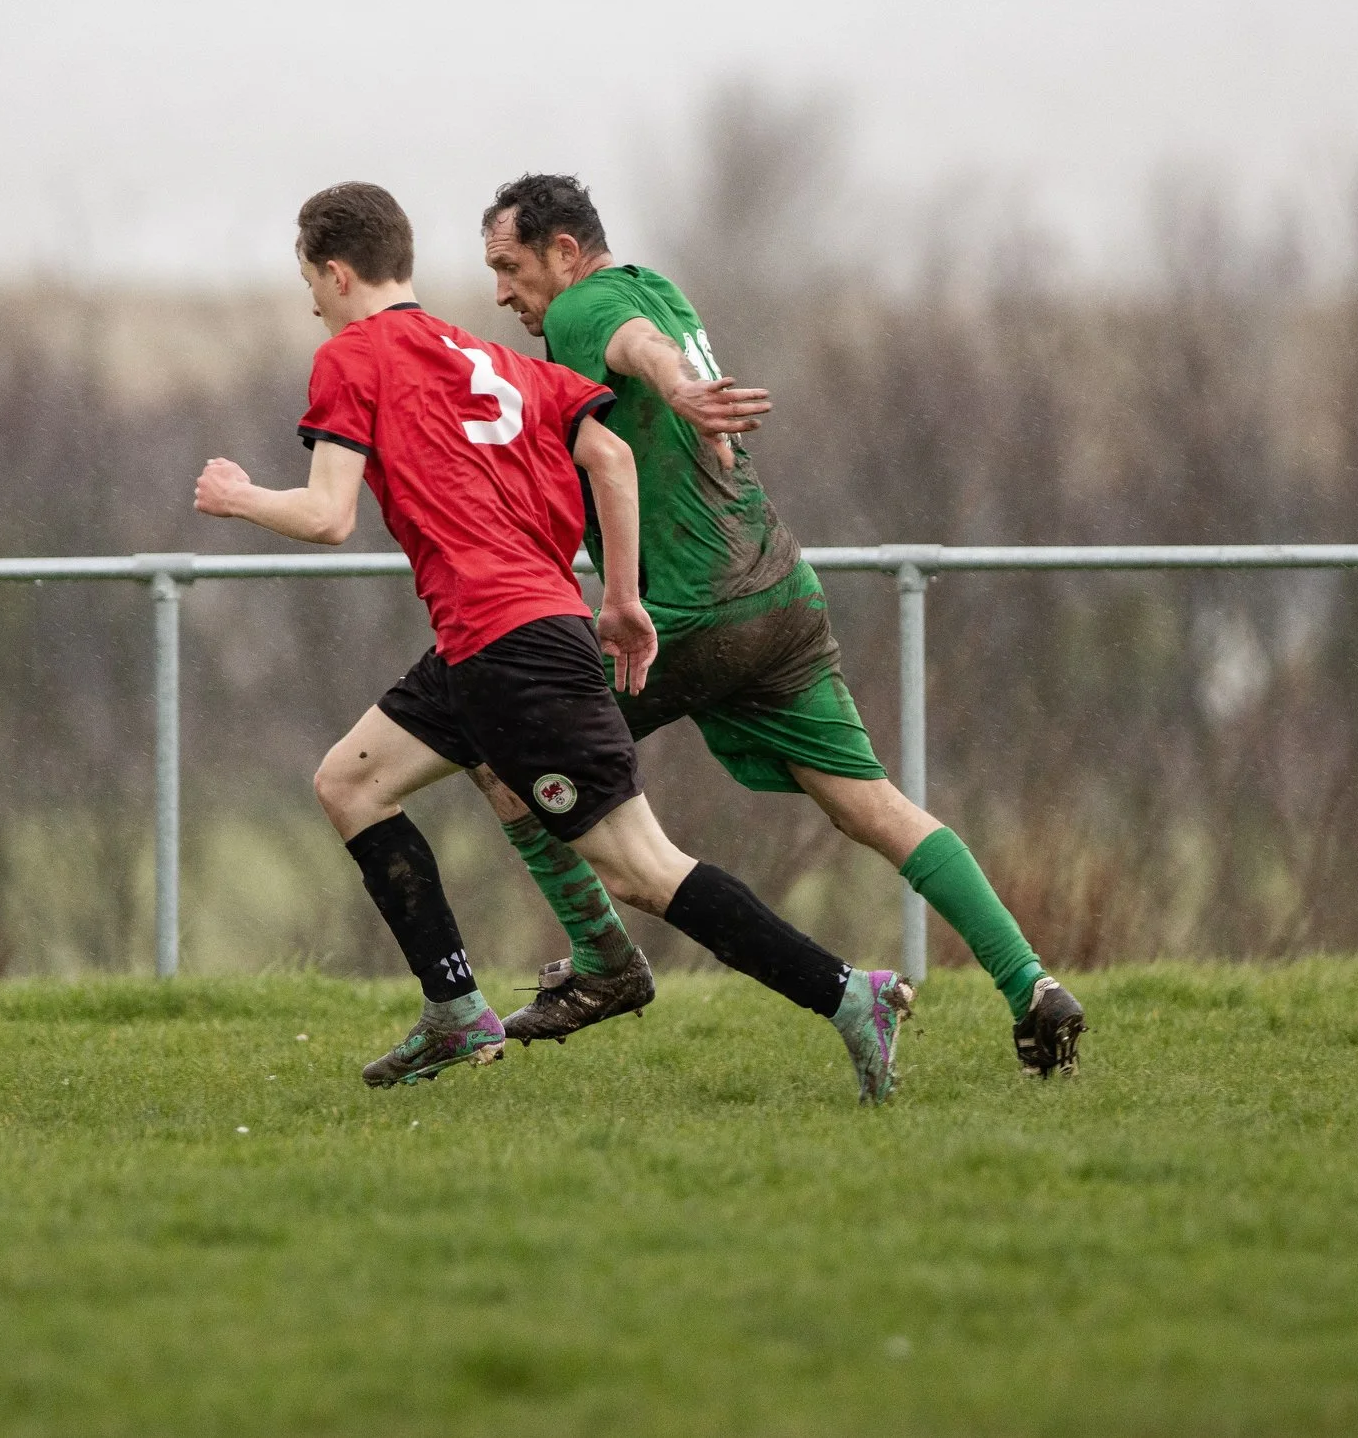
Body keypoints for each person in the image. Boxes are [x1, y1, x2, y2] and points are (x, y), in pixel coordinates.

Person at [194, 181, 915, 1101]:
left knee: (645, 871)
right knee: (351, 781)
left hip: (512, 651)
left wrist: (240, 495)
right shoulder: (488, 356)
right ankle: (457, 1011)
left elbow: (330, 515)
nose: (310, 302)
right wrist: (618, 599)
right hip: (496, 638)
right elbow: (610, 456)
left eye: (310, 281)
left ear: (337, 273)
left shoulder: (351, 357)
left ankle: (854, 996)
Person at [473, 173, 1085, 1078]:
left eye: (508, 266)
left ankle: (601, 966)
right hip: (781, 596)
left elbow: (635, 350)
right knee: (873, 806)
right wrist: (684, 391)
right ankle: (1031, 986)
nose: (501, 293)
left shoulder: (584, 310)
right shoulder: (662, 287)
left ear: (562, 254)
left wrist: (675, 390)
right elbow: (654, 345)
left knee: (497, 742)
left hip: (692, 614)